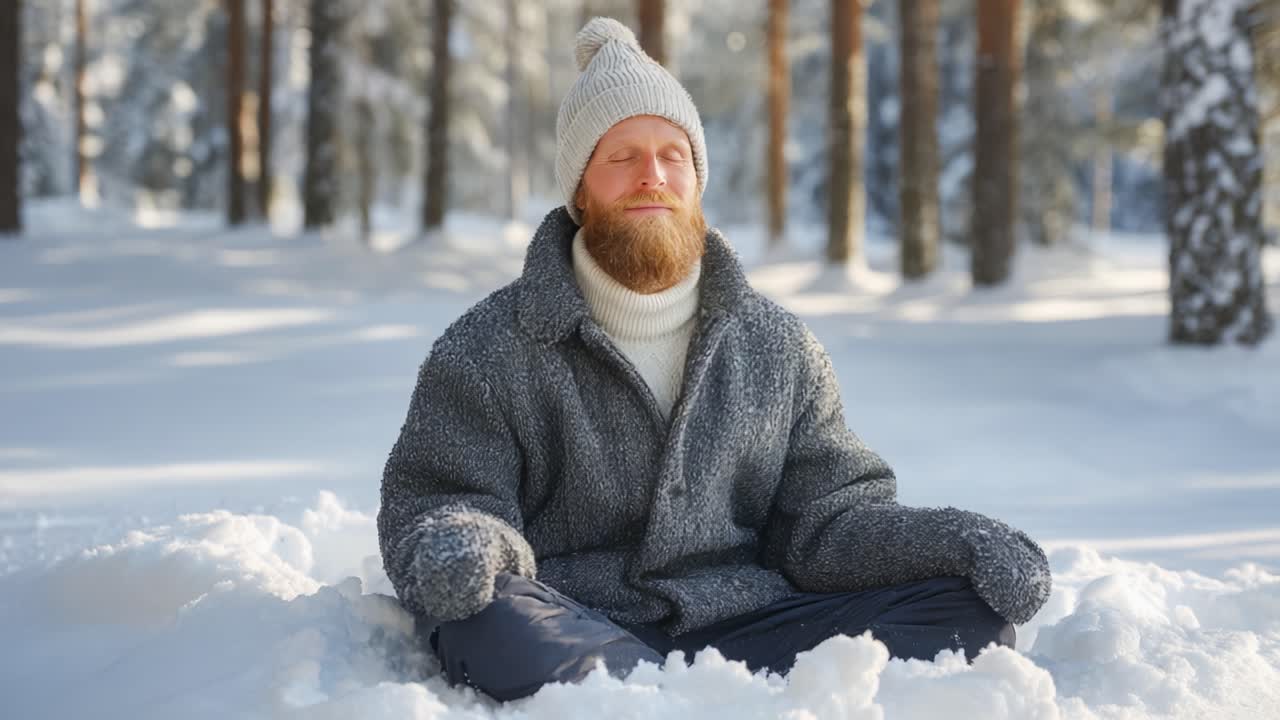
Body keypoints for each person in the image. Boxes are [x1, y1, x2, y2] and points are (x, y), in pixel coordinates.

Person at [377, 17, 1051, 703]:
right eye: (622, 157)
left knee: (967, 614)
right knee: (481, 619)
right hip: (573, 625)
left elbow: (828, 521)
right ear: (580, 189)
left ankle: (636, 698)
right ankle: (656, 697)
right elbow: (439, 497)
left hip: (752, 625)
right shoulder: (489, 347)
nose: (653, 177)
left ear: (697, 179)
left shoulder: (777, 346)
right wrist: (469, 541)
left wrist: (953, 542)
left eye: (674, 156)